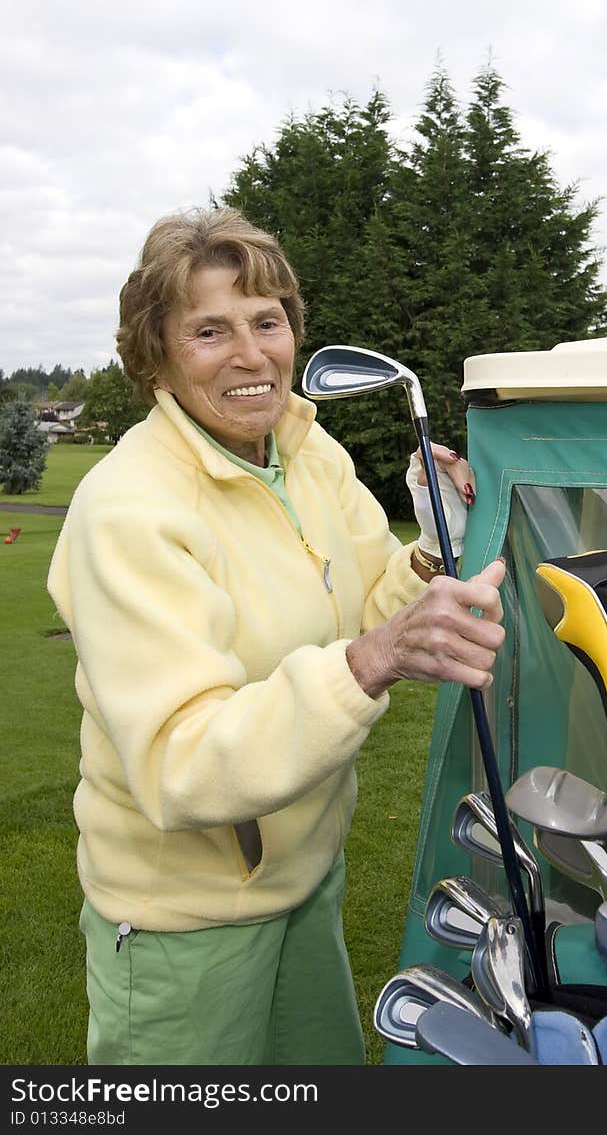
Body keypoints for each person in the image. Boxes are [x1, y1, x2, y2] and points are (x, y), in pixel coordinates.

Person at [47, 205, 506, 1067]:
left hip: (304, 881)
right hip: (183, 925)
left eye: (267, 321)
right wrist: (374, 662)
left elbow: (370, 607)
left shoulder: (306, 451)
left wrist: (428, 548)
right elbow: (180, 764)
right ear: (158, 354)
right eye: (209, 331)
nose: (252, 354)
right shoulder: (129, 510)